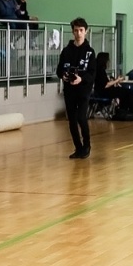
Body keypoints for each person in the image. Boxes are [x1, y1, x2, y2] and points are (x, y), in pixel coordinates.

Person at [58, 17, 95, 159]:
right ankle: (78, 147)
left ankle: (87, 145)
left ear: (86, 31)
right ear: (72, 32)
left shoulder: (90, 52)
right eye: (76, 30)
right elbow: (59, 70)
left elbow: (92, 73)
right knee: (72, 120)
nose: (78, 33)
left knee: (81, 117)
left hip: (83, 91)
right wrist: (64, 76)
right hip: (69, 91)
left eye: (81, 30)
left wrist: (81, 79)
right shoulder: (66, 51)